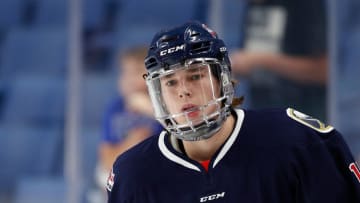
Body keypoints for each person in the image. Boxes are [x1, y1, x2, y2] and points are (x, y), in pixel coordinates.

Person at [107, 21, 360, 203]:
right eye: (171, 82)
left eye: (195, 76)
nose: (183, 91)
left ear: (223, 79)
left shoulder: (297, 141)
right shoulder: (133, 175)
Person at [230, 0, 328, 121]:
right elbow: (246, 58)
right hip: (263, 117)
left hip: (301, 120)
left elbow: (323, 71)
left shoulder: (306, 5)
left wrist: (261, 61)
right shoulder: (253, 5)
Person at [92, 46, 162, 201]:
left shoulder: (166, 106)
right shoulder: (115, 108)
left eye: (137, 71)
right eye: (124, 72)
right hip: (123, 178)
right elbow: (107, 158)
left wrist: (152, 110)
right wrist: (133, 142)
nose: (128, 79)